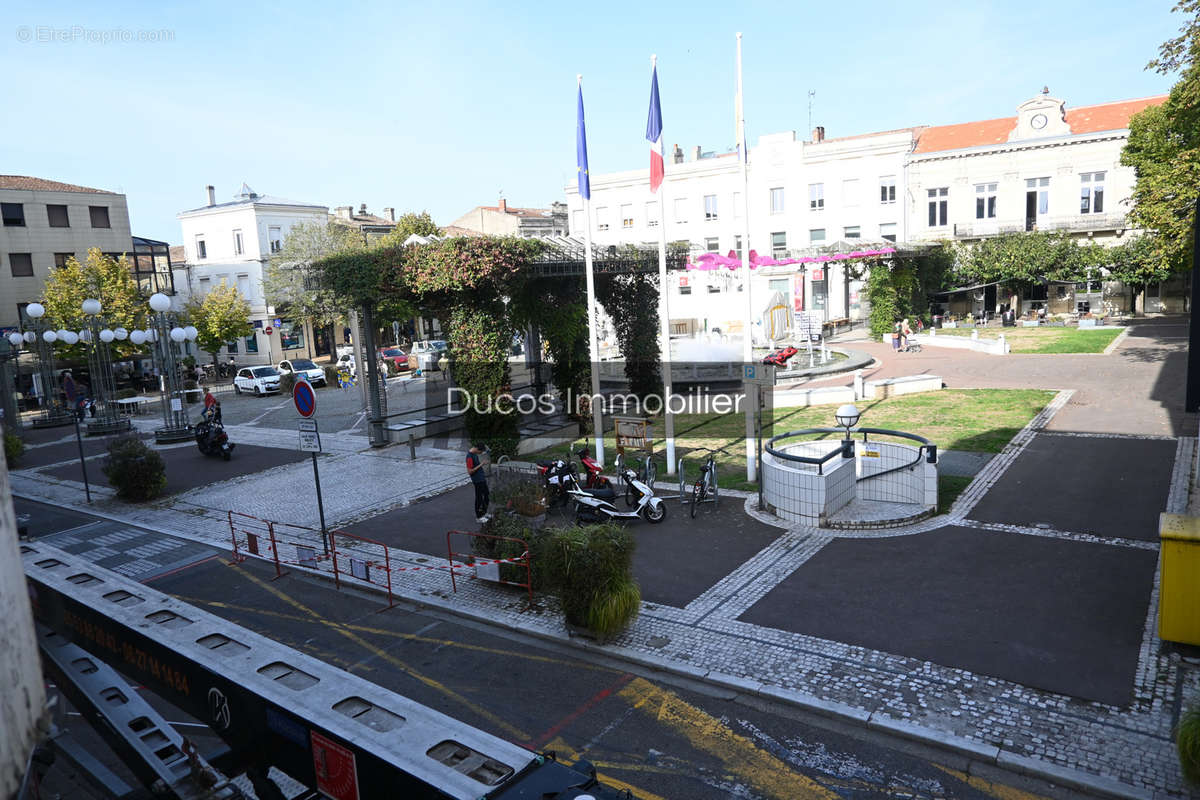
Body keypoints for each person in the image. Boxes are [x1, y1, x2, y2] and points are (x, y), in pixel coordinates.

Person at [467, 443, 490, 523]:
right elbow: (470, 471)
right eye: (481, 452)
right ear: (477, 449)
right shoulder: (469, 457)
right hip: (477, 480)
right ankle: (479, 517)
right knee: (479, 497)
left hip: (481, 478)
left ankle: (484, 512)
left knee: (486, 494)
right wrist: (481, 464)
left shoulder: (474, 454)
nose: (481, 453)